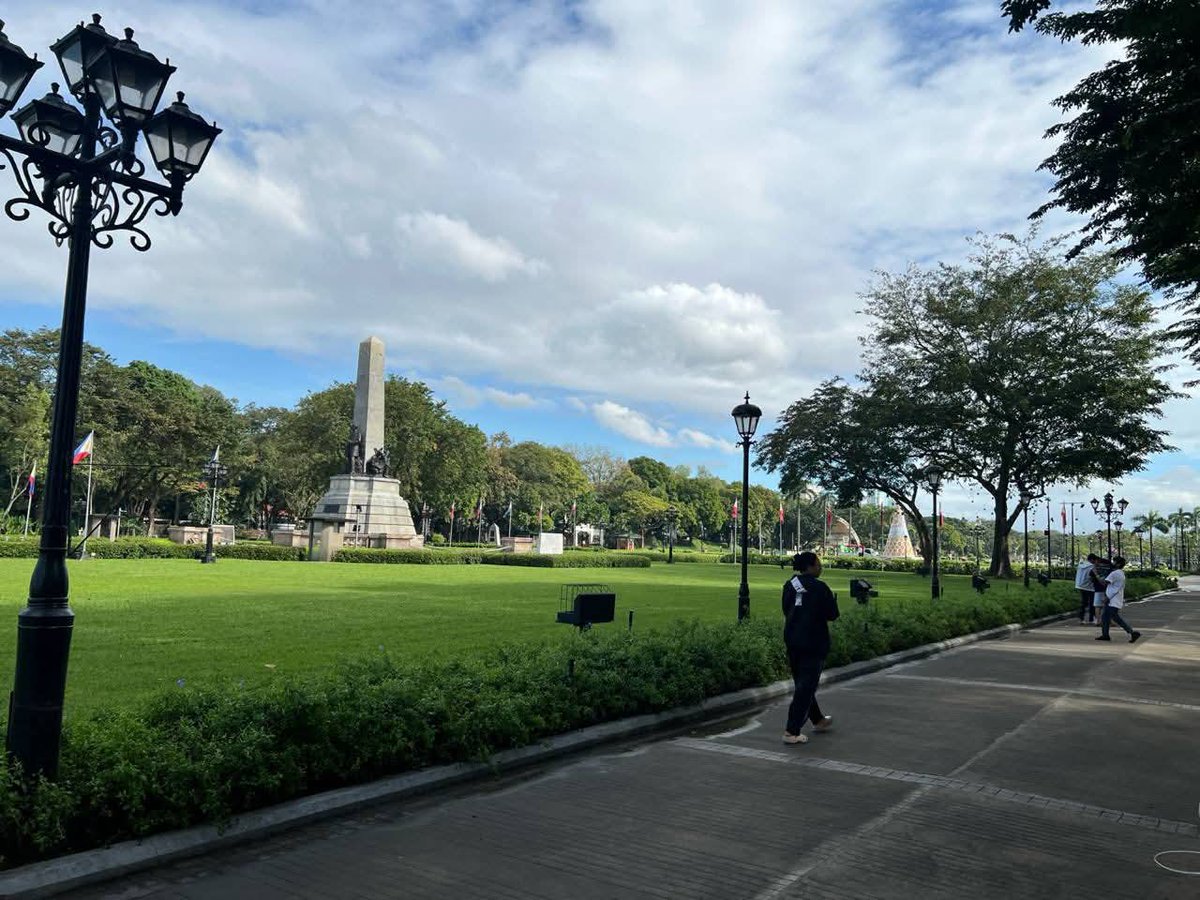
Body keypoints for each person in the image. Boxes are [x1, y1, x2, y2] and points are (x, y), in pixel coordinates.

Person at [781, 551, 840, 745]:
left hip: (793, 640)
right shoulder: (820, 588)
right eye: (818, 563)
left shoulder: (790, 584)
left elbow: (786, 609)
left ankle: (818, 719)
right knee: (806, 687)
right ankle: (792, 730)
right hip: (814, 642)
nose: (820, 567)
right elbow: (832, 614)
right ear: (811, 566)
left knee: (803, 683)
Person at [1096, 555, 1141, 643]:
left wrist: (1096, 574)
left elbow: (1104, 583)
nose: (1113, 563)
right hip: (1115, 599)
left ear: (1118, 564)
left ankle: (1132, 632)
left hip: (1112, 600)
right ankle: (1105, 635)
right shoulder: (1121, 573)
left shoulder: (1115, 573)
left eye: (1114, 561)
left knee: (1115, 618)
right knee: (1105, 617)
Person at [1074, 554, 1099, 625]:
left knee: (1084, 602)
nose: (1095, 562)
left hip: (1080, 585)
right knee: (1092, 603)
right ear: (1092, 560)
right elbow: (1094, 576)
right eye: (1095, 560)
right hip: (1089, 586)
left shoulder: (1081, 564)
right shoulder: (1092, 566)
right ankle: (1091, 618)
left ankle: (1081, 618)